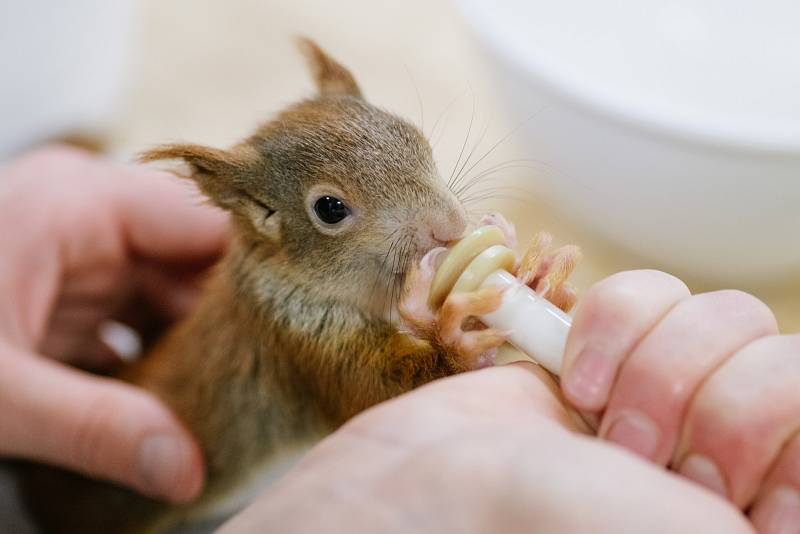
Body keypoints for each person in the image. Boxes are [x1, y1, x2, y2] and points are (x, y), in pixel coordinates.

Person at [0, 146, 797, 533]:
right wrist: (451, 344)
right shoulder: (290, 319)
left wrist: (491, 319)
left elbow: (438, 392)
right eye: (336, 212)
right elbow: (381, 385)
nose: (442, 225)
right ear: (265, 225)